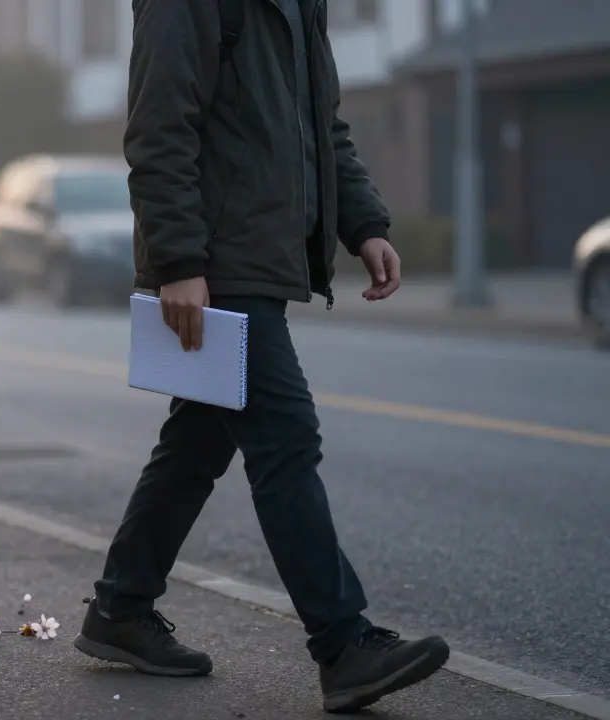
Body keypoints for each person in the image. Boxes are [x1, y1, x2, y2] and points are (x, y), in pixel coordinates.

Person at [74, 1, 450, 714]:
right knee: (285, 438)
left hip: (257, 258)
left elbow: (322, 126)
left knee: (197, 444)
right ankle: (343, 645)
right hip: (218, 265)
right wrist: (180, 260)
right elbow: (159, 128)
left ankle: (121, 609)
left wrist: (363, 223)